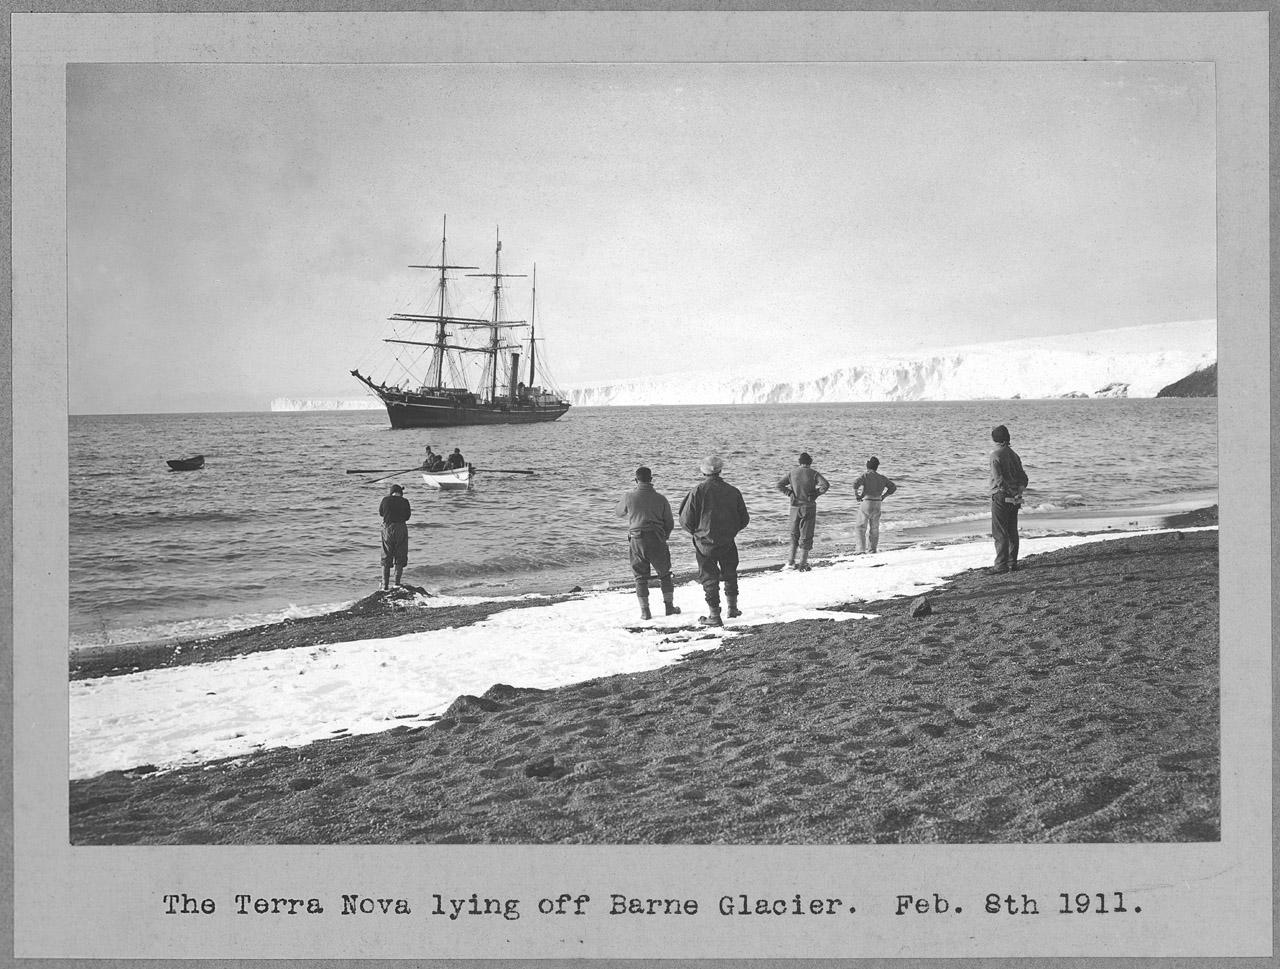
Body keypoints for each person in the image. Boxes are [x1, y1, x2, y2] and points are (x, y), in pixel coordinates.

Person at [678, 455, 750, 627]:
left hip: (704, 543)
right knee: (730, 574)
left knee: (709, 579)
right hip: (727, 541)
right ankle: (732, 609)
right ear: (720, 470)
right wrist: (731, 531)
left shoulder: (697, 491)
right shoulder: (733, 491)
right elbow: (744, 519)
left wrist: (698, 534)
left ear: (703, 471)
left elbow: (685, 521)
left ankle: (714, 616)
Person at [616, 466, 681, 621]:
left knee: (640, 577)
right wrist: (663, 537)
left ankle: (645, 612)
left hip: (636, 539)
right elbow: (669, 523)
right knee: (664, 574)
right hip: (657, 539)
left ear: (636, 480)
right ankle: (669, 608)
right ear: (651, 480)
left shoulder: (629, 496)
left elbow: (619, 512)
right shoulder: (661, 498)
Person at [775, 451, 830, 571]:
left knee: (794, 534)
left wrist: (789, 493)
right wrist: (816, 493)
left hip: (794, 507)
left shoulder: (792, 473)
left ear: (799, 463)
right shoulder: (813, 473)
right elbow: (825, 485)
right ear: (810, 463)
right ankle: (803, 563)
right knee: (806, 535)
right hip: (809, 507)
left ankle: (790, 561)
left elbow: (779, 485)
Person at [988, 424, 1029, 574]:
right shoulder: (1014, 455)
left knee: (999, 532)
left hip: (1001, 496)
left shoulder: (995, 455)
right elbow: (1024, 478)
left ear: (995, 439)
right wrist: (1018, 492)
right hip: (1015, 498)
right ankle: (1012, 563)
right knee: (1012, 531)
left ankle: (1001, 565)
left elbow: (999, 481)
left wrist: (1010, 492)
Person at [852, 456, 897, 554]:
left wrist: (857, 495)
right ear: (876, 467)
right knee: (874, 528)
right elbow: (893, 487)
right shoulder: (882, 478)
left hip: (867, 502)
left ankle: (860, 550)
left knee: (861, 527)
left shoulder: (866, 476)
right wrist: (884, 496)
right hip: (877, 503)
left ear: (867, 466)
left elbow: (855, 484)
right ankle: (872, 549)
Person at [378, 483, 412, 590]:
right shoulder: (405, 501)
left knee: (386, 556)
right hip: (401, 528)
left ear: (391, 492)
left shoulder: (385, 500)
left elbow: (381, 513)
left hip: (387, 528)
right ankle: (397, 583)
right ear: (400, 493)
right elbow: (407, 517)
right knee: (400, 555)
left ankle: (384, 585)